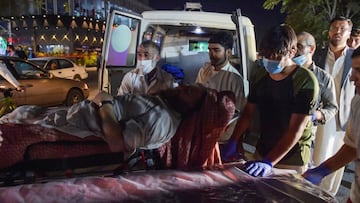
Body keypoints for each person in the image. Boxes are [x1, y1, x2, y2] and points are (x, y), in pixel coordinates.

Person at [222, 24, 319, 177]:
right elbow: (248, 112)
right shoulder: (261, 74)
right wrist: (234, 139)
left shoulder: (305, 81)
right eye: (266, 56)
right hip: (262, 149)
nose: (269, 61)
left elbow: (295, 130)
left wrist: (269, 162)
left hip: (291, 159)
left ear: (292, 52)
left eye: (275, 57)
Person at [303, 46, 360, 203]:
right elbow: (352, 147)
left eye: (359, 70)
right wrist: (321, 170)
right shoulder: (357, 102)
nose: (352, 78)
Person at [312, 16, 355, 195]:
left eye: (342, 29)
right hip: (319, 115)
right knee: (314, 158)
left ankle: (327, 197)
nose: (337, 32)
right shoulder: (318, 55)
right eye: (334, 28)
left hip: (343, 118)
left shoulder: (355, 58)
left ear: (349, 33)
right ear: (329, 31)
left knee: (335, 162)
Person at [293, 31, 338, 167]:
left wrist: (315, 115)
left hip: (304, 138)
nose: (295, 51)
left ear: (311, 49)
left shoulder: (323, 78)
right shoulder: (287, 72)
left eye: (299, 47)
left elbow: (332, 107)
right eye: (293, 47)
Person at [195, 31, 245, 141]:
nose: (211, 54)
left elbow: (236, 112)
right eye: (209, 50)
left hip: (220, 135)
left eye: (216, 50)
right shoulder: (204, 70)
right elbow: (194, 98)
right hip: (200, 127)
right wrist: (202, 83)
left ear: (228, 52)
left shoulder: (234, 78)